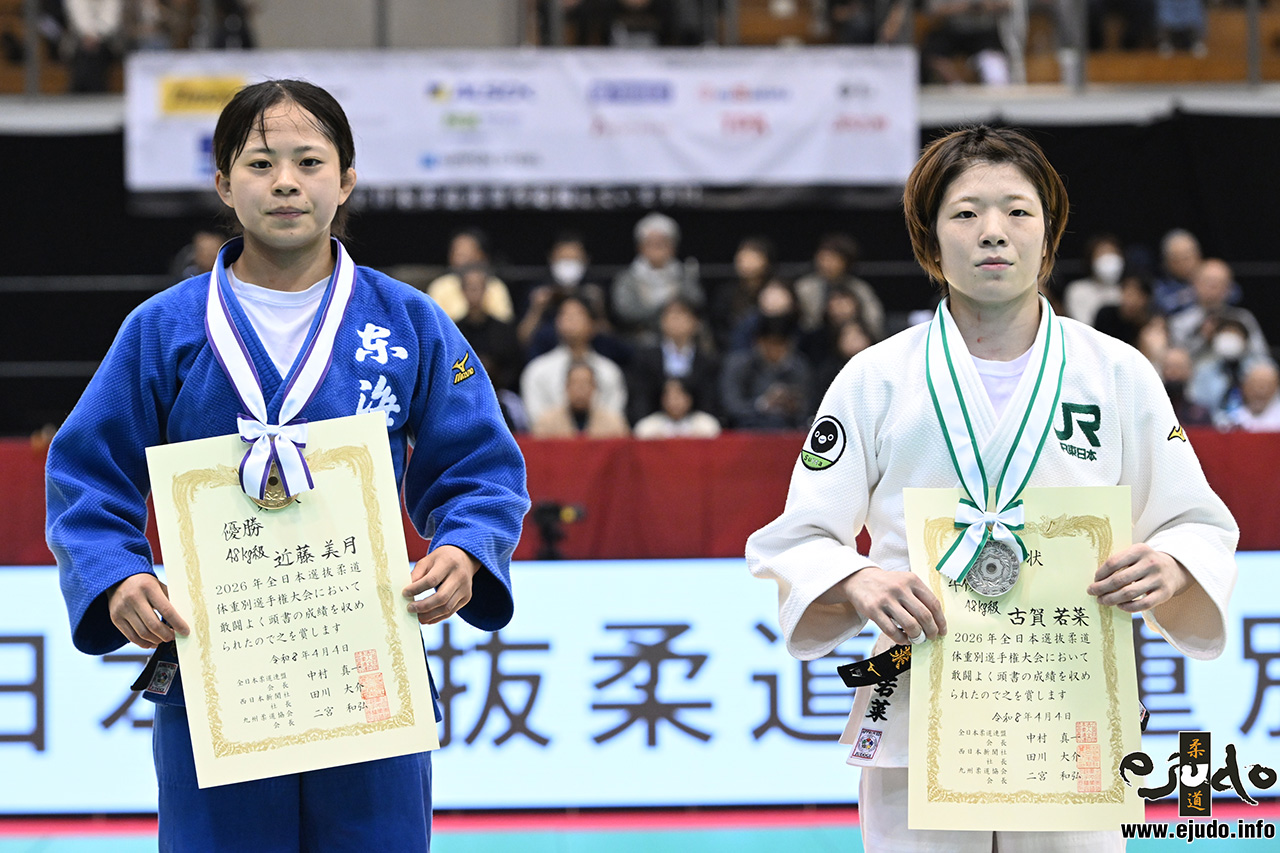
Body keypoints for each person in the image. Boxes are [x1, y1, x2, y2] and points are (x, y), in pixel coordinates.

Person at [45, 79, 529, 852]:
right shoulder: (162, 329)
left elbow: (481, 465)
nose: (286, 183)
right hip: (217, 664)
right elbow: (85, 473)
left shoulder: (408, 322)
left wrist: (468, 546)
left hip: (366, 654)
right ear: (223, 186)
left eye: (309, 161)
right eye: (260, 163)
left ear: (346, 180)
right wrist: (114, 573)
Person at [746, 126, 1237, 852]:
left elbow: (1195, 520)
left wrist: (1169, 563)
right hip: (920, 703)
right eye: (966, 213)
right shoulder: (877, 377)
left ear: (1049, 232)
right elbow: (798, 535)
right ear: (930, 238)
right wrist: (858, 578)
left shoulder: (1116, 372)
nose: (993, 233)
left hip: (1070, 707)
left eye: (1017, 211)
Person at [520, 294, 627, 424]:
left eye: (578, 315)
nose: (571, 320)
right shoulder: (537, 370)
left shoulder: (609, 371)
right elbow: (535, 418)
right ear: (556, 322)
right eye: (565, 315)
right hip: (553, 440)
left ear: (593, 324)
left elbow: (614, 419)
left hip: (599, 440)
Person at [625, 296, 720, 426]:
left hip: (694, 420)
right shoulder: (647, 357)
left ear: (695, 322)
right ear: (661, 321)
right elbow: (641, 397)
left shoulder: (707, 360)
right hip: (657, 418)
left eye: (682, 315)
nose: (676, 320)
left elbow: (709, 399)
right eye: (670, 315)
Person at [611, 212, 702, 341]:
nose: (657, 249)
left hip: (681, 336)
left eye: (662, 243)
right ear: (640, 247)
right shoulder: (627, 278)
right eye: (651, 243)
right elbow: (625, 311)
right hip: (640, 337)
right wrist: (663, 308)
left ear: (673, 247)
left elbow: (696, 301)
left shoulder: (684, 274)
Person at [720, 314, 813, 431]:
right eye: (770, 344)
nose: (775, 350)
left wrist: (791, 405)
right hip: (747, 428)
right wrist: (763, 403)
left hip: (788, 429)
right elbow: (731, 406)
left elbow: (808, 407)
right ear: (759, 342)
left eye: (781, 344)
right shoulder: (739, 365)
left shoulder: (799, 367)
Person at [793, 233, 885, 340]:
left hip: (851, 340)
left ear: (846, 262)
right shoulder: (804, 287)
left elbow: (875, 321)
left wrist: (854, 319)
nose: (826, 264)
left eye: (833, 259)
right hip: (814, 342)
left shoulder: (859, 288)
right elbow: (801, 325)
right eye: (823, 258)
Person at [426, 227, 515, 323]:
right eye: (456, 250)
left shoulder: (495, 286)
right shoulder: (440, 286)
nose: (459, 256)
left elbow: (505, 324)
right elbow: (434, 325)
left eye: (465, 251)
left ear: (480, 255)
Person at [530, 361, 631, 438]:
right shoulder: (546, 423)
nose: (580, 390)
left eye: (585, 384)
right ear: (566, 387)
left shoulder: (614, 425)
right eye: (575, 384)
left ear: (594, 387)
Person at [1061, 233, 1125, 326]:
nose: (1108, 260)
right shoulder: (1077, 290)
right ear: (1091, 260)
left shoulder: (1128, 292)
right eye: (1102, 254)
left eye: (1113, 253)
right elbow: (1082, 326)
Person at [633, 376, 721, 439]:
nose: (674, 402)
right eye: (669, 397)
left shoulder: (706, 424)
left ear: (690, 399)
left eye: (678, 397)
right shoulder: (647, 426)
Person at [1227, 360, 1280, 432]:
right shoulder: (1229, 420)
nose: (1260, 392)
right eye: (1255, 385)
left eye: (1267, 386)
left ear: (1276, 388)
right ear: (1244, 387)